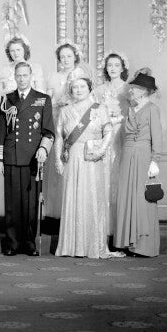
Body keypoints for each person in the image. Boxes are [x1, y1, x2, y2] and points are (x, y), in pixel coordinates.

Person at [53, 73, 122, 258]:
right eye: (75, 87)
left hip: (92, 159)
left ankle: (92, 245)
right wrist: (58, 160)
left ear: (90, 89)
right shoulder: (65, 111)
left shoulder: (99, 108)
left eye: (82, 86)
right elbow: (59, 137)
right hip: (72, 158)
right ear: (70, 90)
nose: (78, 90)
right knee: (73, 198)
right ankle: (71, 246)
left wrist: (100, 151)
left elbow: (108, 131)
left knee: (91, 198)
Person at [0, 62, 54, 256]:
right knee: (12, 203)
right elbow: (1, 130)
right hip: (11, 155)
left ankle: (29, 243)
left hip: (32, 157)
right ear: (15, 76)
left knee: (31, 203)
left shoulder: (42, 99)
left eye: (25, 75)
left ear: (31, 76)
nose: (22, 79)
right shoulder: (7, 99)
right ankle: (12, 243)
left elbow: (48, 131)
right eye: (18, 75)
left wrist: (44, 149)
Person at [114, 69, 163, 257]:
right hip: (127, 156)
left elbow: (157, 137)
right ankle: (127, 243)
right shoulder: (129, 109)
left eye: (134, 88)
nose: (131, 91)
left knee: (141, 198)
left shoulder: (152, 109)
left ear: (143, 91)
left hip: (143, 157)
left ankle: (143, 246)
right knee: (126, 196)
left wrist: (155, 160)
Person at [43, 40, 91, 219]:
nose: (65, 59)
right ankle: (56, 210)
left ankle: (75, 210)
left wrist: (70, 103)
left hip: (75, 121)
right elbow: (47, 101)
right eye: (62, 57)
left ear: (75, 57)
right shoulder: (53, 77)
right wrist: (57, 103)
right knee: (57, 161)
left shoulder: (80, 75)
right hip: (57, 118)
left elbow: (86, 98)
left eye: (69, 56)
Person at [93, 51, 131, 236]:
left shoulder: (129, 89)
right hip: (104, 135)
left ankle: (121, 227)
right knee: (103, 176)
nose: (113, 68)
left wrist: (120, 117)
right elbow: (93, 113)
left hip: (122, 135)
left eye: (116, 65)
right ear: (105, 68)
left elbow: (134, 112)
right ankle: (102, 227)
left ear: (123, 68)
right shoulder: (99, 90)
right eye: (110, 65)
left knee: (119, 176)